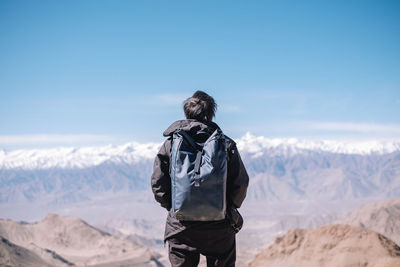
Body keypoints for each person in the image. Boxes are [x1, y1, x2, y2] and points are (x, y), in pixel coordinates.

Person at [151, 91, 249, 267]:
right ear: (211, 114)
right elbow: (241, 184)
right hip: (219, 227)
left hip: (181, 227)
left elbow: (158, 184)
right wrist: (226, 208)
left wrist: (176, 207)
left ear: (187, 113)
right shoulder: (226, 144)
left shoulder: (171, 144)